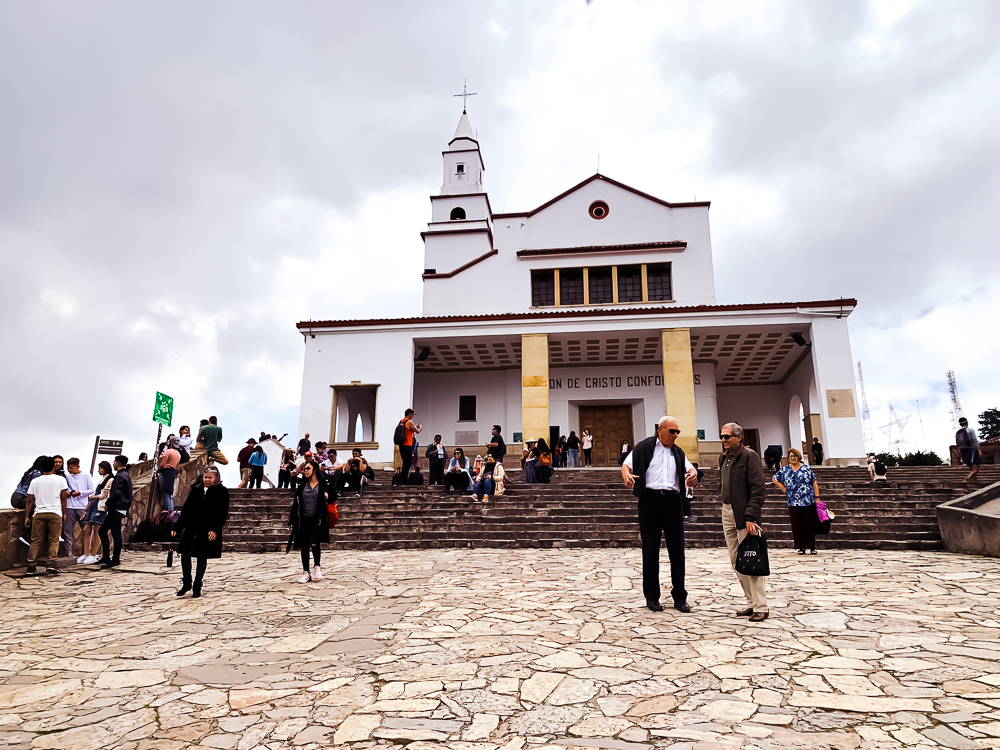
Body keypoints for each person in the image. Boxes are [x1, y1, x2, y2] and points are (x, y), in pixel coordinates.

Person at [621, 416, 698, 613]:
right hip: (649, 501)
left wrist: (693, 475)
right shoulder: (643, 447)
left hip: (673, 502)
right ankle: (652, 597)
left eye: (677, 432)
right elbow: (626, 465)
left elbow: (691, 469)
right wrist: (626, 475)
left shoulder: (677, 452)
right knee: (650, 550)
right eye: (672, 431)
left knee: (677, 552)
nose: (676, 435)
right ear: (660, 429)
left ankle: (680, 597)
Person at [719, 423, 769, 622]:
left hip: (744, 514)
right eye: (722, 436)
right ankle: (751, 602)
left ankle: (761, 606)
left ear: (739, 437)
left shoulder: (750, 456)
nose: (723, 440)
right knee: (736, 560)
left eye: (727, 436)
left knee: (752, 558)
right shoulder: (724, 457)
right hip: (727, 510)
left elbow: (758, 489)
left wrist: (751, 516)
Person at [171, 466, 229, 598]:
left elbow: (222, 513)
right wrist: (177, 527)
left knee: (202, 556)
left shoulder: (222, 492)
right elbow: (186, 511)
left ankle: (197, 585)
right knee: (185, 554)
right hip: (191, 528)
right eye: (206, 477)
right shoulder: (196, 490)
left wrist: (215, 530)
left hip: (207, 529)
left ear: (216, 478)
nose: (207, 479)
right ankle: (187, 583)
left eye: (210, 477)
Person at [23, 456, 69, 575]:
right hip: (55, 513)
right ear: (53, 466)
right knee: (54, 540)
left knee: (35, 540)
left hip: (39, 513)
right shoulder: (60, 480)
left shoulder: (35, 481)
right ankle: (51, 564)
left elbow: (29, 501)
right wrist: (64, 513)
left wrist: (27, 516)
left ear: (41, 467)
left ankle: (31, 566)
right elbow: (63, 498)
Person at [288, 460, 329, 583]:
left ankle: (317, 566)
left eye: (308, 469)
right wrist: (292, 520)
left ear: (314, 470)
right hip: (303, 519)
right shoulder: (302, 484)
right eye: (305, 469)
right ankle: (306, 572)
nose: (305, 471)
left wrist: (327, 495)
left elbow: (333, 495)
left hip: (317, 518)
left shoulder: (322, 483)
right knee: (304, 545)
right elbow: (296, 503)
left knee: (315, 542)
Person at [773, 448, 819, 555]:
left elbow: (814, 483)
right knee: (797, 525)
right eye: (790, 456)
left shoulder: (806, 468)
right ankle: (801, 547)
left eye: (794, 456)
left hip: (807, 500)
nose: (792, 458)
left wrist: (817, 497)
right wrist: (783, 488)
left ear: (799, 457)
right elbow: (775, 478)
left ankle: (812, 547)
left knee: (809, 525)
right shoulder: (785, 470)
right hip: (793, 501)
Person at [97, 455, 132, 570]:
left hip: (116, 507)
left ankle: (115, 559)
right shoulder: (125, 474)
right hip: (119, 507)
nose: (113, 463)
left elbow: (116, 492)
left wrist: (108, 503)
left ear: (118, 463)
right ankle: (106, 557)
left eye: (114, 462)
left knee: (115, 533)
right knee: (103, 531)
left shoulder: (120, 476)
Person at [81, 461, 112, 564]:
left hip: (100, 506)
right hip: (93, 505)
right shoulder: (101, 480)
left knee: (97, 530)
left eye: (100, 468)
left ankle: (93, 554)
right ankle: (86, 553)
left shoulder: (110, 479)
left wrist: (94, 497)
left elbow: (104, 494)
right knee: (86, 529)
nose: (99, 470)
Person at [62, 458, 94, 559]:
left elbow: (91, 490)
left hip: (82, 507)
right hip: (69, 506)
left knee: (87, 529)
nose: (69, 470)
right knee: (67, 531)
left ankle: (88, 552)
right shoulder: (67, 477)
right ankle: (69, 554)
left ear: (77, 466)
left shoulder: (86, 475)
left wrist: (80, 493)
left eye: (71, 468)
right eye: (68, 468)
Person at [157, 438, 181, 511]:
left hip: (165, 472)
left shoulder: (168, 452)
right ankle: (171, 511)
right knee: (169, 493)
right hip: (172, 472)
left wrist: (157, 470)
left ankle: (168, 511)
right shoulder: (178, 454)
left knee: (165, 492)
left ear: (171, 442)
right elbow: (177, 467)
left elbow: (163, 464)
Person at [397, 409, 422, 478]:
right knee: (409, 463)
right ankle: (401, 479)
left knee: (405, 462)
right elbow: (417, 431)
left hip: (401, 444)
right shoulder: (410, 422)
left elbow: (408, 430)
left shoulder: (402, 421)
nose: (413, 416)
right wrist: (420, 428)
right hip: (407, 444)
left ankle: (403, 479)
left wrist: (415, 427)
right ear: (410, 414)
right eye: (412, 415)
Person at [957, 417, 981, 481]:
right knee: (975, 470)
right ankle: (967, 479)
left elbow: (958, 445)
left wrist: (961, 455)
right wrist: (979, 450)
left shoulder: (958, 432)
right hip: (971, 450)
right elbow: (974, 440)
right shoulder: (970, 430)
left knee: (971, 470)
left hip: (964, 452)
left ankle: (974, 483)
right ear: (967, 422)